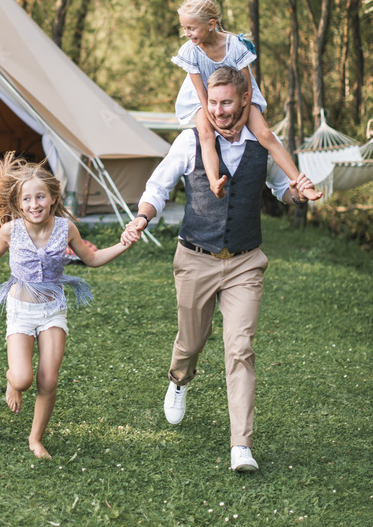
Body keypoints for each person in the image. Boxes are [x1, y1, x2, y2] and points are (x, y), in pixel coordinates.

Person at [122, 65, 319, 472]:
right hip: (195, 257)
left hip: (245, 262)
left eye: (226, 102)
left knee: (240, 349)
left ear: (246, 100)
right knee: (191, 343)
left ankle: (240, 446)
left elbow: (283, 189)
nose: (218, 110)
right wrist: (142, 218)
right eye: (212, 102)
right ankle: (178, 380)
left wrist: (297, 194)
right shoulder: (190, 140)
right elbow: (158, 187)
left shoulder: (264, 142)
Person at [0, 153, 136, 459]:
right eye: (27, 199)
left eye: (40, 196)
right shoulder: (11, 231)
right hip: (21, 309)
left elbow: (92, 260)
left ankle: (35, 438)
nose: (34, 204)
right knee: (23, 378)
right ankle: (11, 381)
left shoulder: (66, 228)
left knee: (48, 380)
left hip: (53, 309)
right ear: (18, 204)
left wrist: (124, 243)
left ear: (53, 198)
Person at [173, 0, 322, 201]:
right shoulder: (190, 51)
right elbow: (200, 92)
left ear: (211, 24)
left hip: (240, 94)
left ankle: (301, 183)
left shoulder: (234, 45)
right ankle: (214, 181)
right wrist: (215, 122)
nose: (186, 33)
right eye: (184, 28)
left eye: (191, 28)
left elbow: (248, 85)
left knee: (265, 134)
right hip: (204, 99)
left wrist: (243, 117)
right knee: (205, 134)